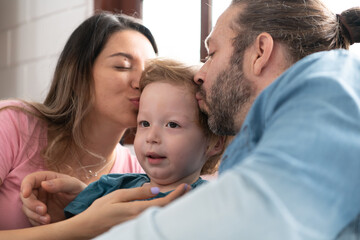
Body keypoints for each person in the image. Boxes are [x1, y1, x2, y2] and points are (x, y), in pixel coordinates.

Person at [21, 0, 360, 239]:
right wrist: (93, 201)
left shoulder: (332, 87)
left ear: (260, 52)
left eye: (212, 53)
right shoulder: (257, 151)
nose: (200, 74)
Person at [0, 10, 188, 232]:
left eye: (149, 72)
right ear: (79, 74)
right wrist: (84, 225)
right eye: (123, 66)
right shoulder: (12, 123)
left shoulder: (136, 172)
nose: (141, 82)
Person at [63, 58, 226, 218]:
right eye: (145, 123)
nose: (151, 137)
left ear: (214, 143)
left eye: (172, 125)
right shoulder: (108, 188)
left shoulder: (215, 206)